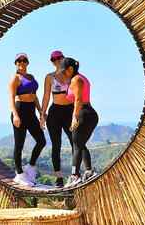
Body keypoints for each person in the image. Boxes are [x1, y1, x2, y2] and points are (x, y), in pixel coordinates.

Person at [8, 52, 46, 187]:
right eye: (19, 61)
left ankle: (30, 167)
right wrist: (15, 114)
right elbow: (11, 98)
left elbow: (34, 96)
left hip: (31, 112)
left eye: (24, 60)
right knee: (19, 144)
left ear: (27, 62)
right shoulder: (15, 78)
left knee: (41, 141)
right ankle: (19, 174)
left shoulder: (31, 77)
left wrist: (41, 111)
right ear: (16, 63)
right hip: (20, 111)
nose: (22, 62)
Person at [60, 57, 99, 188]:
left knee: (76, 145)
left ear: (71, 69)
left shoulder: (76, 79)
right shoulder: (80, 78)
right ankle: (89, 172)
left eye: (64, 71)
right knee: (80, 144)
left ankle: (74, 176)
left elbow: (78, 100)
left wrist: (74, 116)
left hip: (83, 113)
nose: (63, 74)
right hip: (89, 113)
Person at [39, 50, 72, 188]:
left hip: (70, 112)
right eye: (53, 59)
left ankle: (75, 174)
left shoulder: (71, 74)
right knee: (56, 146)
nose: (56, 60)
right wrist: (42, 115)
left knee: (75, 142)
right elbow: (46, 96)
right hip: (55, 112)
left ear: (63, 58)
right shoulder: (49, 77)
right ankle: (59, 178)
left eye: (59, 58)